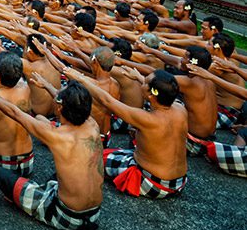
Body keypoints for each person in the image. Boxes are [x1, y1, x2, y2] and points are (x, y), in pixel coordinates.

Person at [0, 78, 103, 230]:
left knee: (1, 175)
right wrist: (48, 85)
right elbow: (76, 103)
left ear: (60, 107)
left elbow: (15, 113)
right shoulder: (93, 125)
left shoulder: (56, 135)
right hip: (94, 214)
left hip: (66, 215)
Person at [68, 68, 189, 199]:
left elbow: (107, 101)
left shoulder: (147, 119)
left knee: (92, 158)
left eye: (145, 82)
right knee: (116, 150)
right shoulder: (180, 108)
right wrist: (138, 77)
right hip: (179, 183)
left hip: (153, 183)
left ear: (151, 94)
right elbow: (159, 91)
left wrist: (81, 78)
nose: (141, 83)